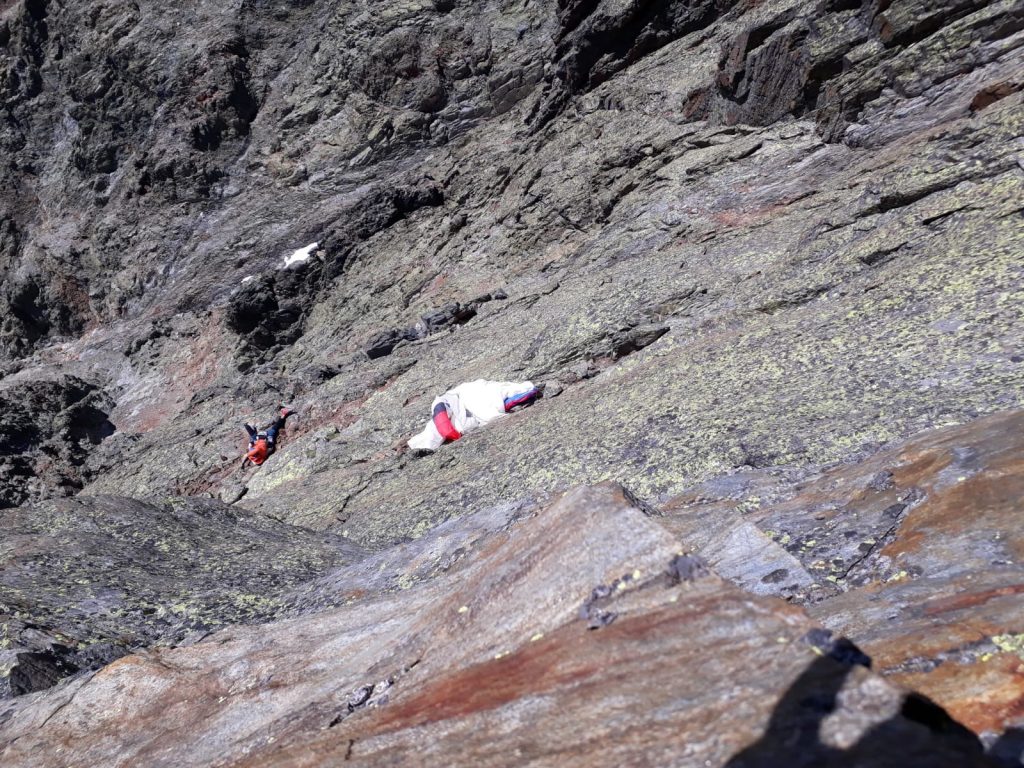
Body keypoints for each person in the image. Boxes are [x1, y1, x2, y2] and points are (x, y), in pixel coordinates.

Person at [408, 379, 542, 453]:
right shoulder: (439, 424)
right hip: (466, 401)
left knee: (493, 395)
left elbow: (446, 420)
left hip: (468, 397)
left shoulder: (440, 417)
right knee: (499, 394)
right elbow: (447, 428)